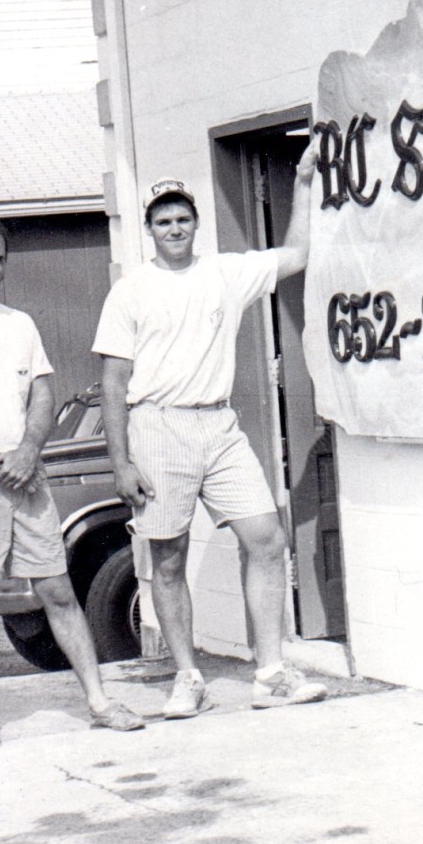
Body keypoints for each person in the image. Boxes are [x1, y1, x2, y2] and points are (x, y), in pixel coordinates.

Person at [93, 142, 327, 718]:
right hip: (157, 427)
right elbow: (113, 381)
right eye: (163, 220)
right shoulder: (130, 290)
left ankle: (269, 672)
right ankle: (188, 677)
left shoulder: (225, 271)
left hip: (217, 425)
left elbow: (296, 253)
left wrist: (301, 182)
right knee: (167, 558)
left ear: (196, 221)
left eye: (183, 218)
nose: (175, 227)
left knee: (266, 538)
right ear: (149, 229)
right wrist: (121, 461)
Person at [0, 215, 144, 749]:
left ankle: (100, 702)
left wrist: (30, 450)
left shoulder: (20, 325)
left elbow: (41, 394)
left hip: (26, 475)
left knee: (58, 589)